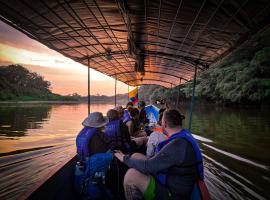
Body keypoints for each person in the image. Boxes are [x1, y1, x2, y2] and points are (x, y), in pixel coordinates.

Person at [114, 109, 204, 200]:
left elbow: (148, 166)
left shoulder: (178, 145)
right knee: (136, 156)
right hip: (170, 177)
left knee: (131, 175)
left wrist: (124, 158)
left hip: (172, 193)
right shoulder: (182, 137)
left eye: (161, 122)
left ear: (164, 123)